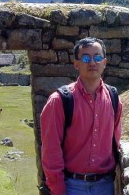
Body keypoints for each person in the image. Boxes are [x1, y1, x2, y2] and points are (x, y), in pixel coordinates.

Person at [40, 37, 123, 195]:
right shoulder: (60, 101)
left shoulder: (113, 99)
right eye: (86, 58)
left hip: (106, 185)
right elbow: (51, 149)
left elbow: (116, 141)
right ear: (76, 64)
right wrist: (57, 188)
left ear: (104, 62)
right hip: (71, 186)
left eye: (97, 57)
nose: (92, 62)